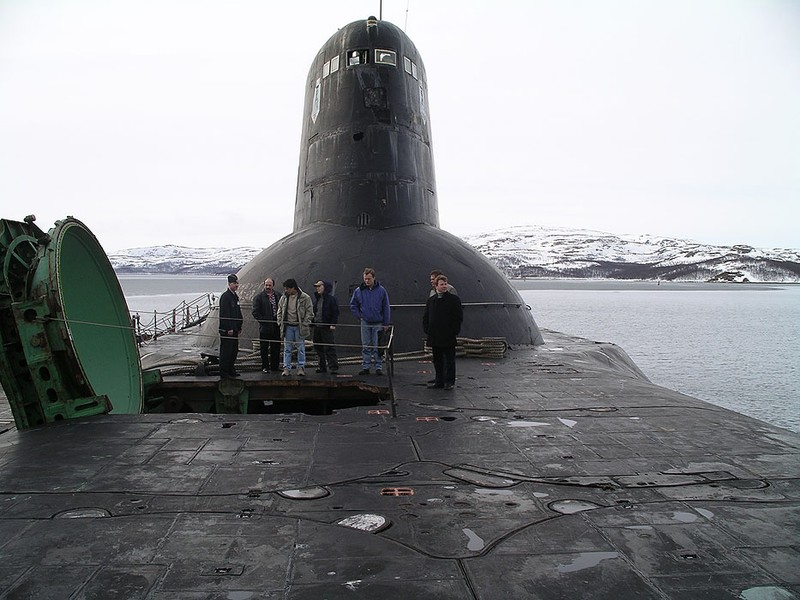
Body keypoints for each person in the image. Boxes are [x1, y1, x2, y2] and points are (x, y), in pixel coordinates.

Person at [423, 274, 463, 390]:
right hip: (435, 335)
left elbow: (458, 317)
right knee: (437, 360)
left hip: (448, 335)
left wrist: (454, 331)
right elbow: (426, 317)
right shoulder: (431, 301)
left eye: (445, 284)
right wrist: (427, 330)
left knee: (449, 360)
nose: (444, 286)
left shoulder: (453, 300)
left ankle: (449, 381)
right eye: (442, 284)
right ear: (436, 286)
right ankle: (439, 381)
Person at [350, 267, 391, 375]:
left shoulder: (381, 290)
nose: (367, 281)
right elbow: (353, 304)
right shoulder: (359, 291)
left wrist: (386, 322)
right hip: (365, 321)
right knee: (366, 345)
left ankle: (378, 367)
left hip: (378, 321)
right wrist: (359, 316)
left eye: (369, 279)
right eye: (365, 279)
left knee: (377, 345)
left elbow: (386, 307)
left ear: (374, 278)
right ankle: (366, 367)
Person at [277, 278, 313, 377]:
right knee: (287, 348)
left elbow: (309, 312)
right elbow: (279, 310)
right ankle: (286, 368)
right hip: (288, 326)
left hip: (299, 327)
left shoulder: (305, 298)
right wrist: (280, 322)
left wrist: (305, 323)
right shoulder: (284, 298)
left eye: (287, 288)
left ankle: (300, 367)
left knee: (300, 348)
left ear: (293, 288)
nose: (286, 291)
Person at [252, 278, 282, 372]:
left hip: (276, 325)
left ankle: (275, 366)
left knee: (276, 347)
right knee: (264, 348)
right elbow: (255, 312)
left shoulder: (278, 295)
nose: (268, 287)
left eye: (270, 285)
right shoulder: (259, 297)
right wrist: (263, 321)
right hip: (265, 326)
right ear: (264, 285)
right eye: (266, 285)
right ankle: (265, 366)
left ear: (273, 285)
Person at [218, 274, 243, 379]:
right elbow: (224, 314)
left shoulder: (234, 296)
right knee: (226, 351)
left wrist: (239, 325)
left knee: (234, 350)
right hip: (228, 330)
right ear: (229, 284)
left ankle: (231, 369)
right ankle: (224, 371)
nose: (236, 285)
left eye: (237, 283)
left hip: (235, 329)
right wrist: (228, 329)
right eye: (234, 283)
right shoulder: (225, 297)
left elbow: (237, 312)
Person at [312, 280, 340, 373]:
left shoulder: (331, 299)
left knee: (329, 347)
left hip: (326, 326)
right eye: (316, 286)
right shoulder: (317, 300)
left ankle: (333, 367)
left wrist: (333, 324)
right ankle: (322, 367)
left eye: (319, 286)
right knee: (318, 347)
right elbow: (314, 312)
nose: (317, 288)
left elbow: (335, 312)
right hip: (317, 326)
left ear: (325, 287)